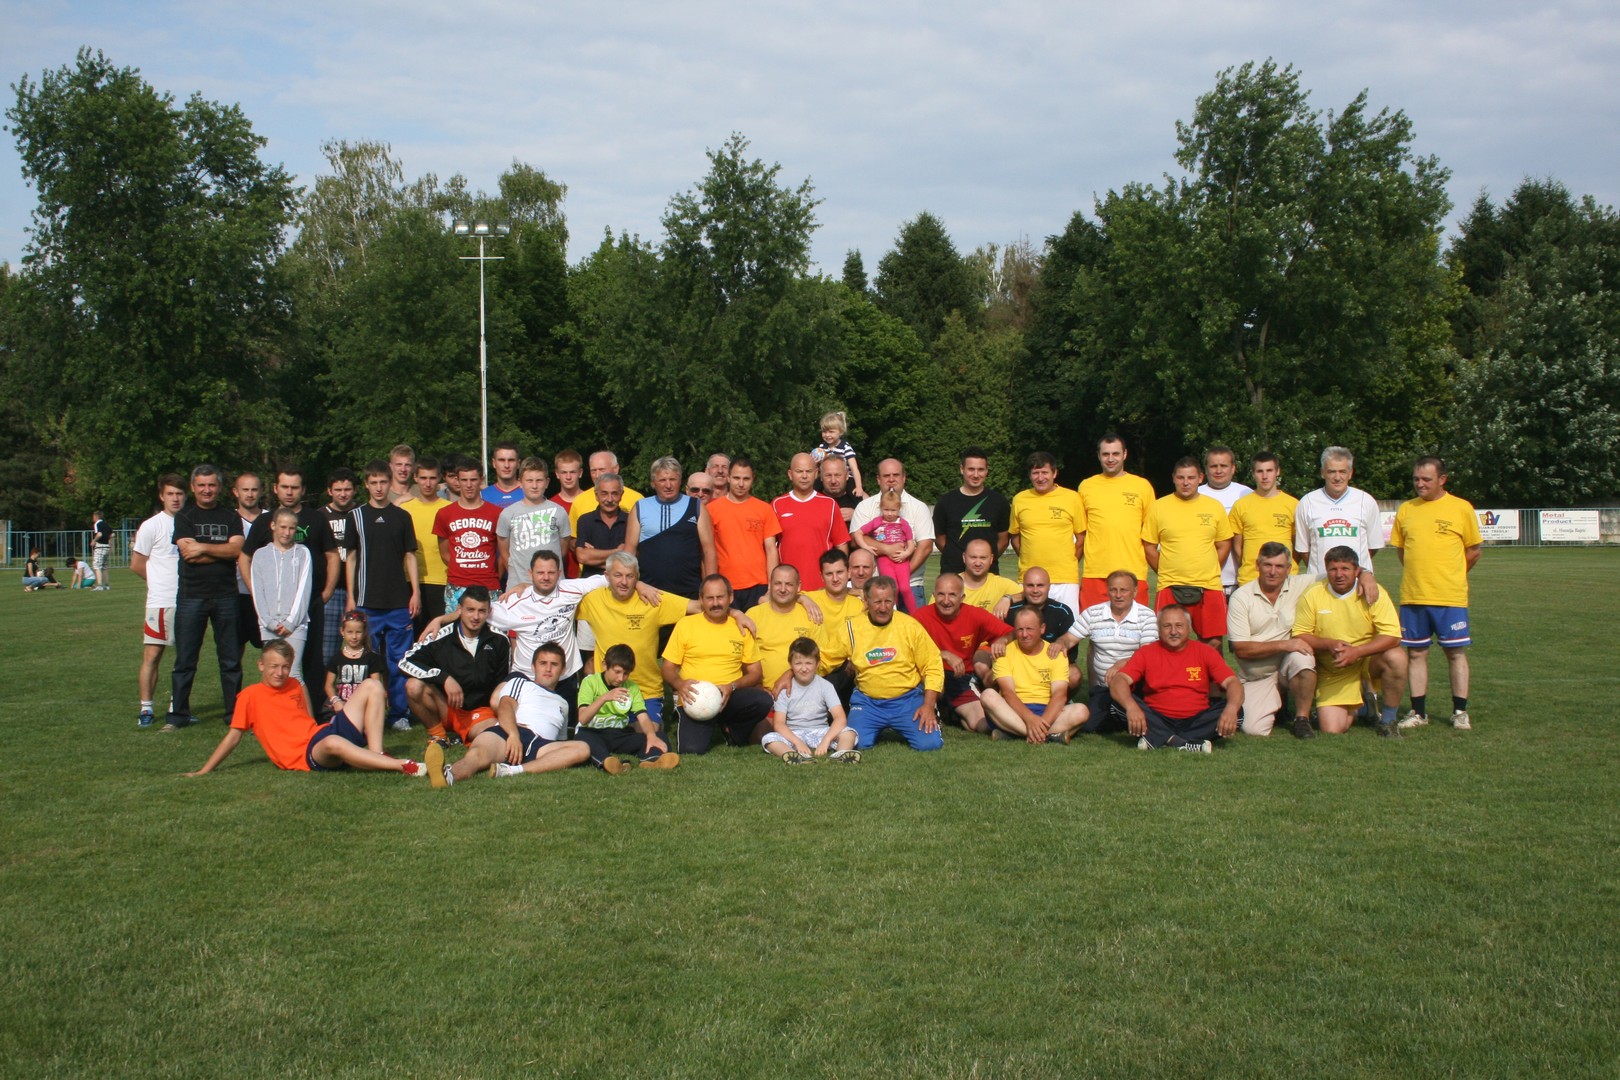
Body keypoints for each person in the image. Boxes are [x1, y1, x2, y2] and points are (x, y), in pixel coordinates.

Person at [185, 641, 428, 777]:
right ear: (260, 665)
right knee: (333, 743)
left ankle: (377, 754)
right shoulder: (249, 696)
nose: (280, 673)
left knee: (373, 685)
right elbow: (233, 737)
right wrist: (204, 770)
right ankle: (402, 765)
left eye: (285, 667)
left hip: (321, 733)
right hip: (308, 755)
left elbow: (307, 720)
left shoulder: (293, 685)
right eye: (273, 667)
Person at [1390, 457, 1483, 731]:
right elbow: (1401, 550)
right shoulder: (1406, 510)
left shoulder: (1461, 508)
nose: (1420, 484)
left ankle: (1460, 711)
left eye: (1426, 479)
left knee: (1455, 653)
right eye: (1416, 479)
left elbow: (1474, 549)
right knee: (1416, 654)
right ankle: (1418, 712)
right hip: (1414, 596)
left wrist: (1452, 573)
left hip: (1449, 597)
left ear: (1442, 479)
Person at [428, 642, 594, 785]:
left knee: (582, 748)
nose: (548, 669)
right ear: (533, 666)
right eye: (543, 663)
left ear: (563, 669)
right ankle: (449, 776)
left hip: (540, 745)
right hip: (507, 733)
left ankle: (511, 771)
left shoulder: (564, 704)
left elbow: (560, 741)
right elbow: (505, 707)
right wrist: (513, 735)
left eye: (554, 664)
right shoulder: (521, 682)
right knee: (477, 755)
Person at [240, 466, 340, 703]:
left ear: (302, 490)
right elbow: (246, 557)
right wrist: (257, 592)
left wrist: (326, 591)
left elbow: (332, 555)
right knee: (275, 662)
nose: (289, 492)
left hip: (309, 602)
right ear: (276, 488)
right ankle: (275, 711)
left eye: (295, 487)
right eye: (284, 486)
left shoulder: (316, 519)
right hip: (273, 609)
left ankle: (313, 710)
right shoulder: (265, 520)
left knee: (312, 659)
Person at [1291, 546, 1407, 737]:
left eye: (1345, 569)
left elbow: (1392, 636)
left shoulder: (1373, 592)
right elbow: (1300, 634)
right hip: (1333, 667)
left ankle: (1388, 720)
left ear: (1356, 571)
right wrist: (1329, 644)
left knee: (1397, 658)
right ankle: (1362, 704)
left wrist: (1357, 652)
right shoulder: (1313, 593)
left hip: (1366, 661)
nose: (1339, 574)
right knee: (1331, 729)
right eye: (1333, 569)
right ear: (1326, 570)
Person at [818, 575, 945, 751]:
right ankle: (870, 726)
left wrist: (928, 705)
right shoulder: (851, 628)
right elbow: (825, 659)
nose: (883, 608)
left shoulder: (910, 626)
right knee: (856, 743)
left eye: (888, 602)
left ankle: (927, 718)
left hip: (907, 700)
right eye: (877, 602)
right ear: (866, 600)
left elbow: (932, 664)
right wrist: (791, 674)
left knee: (930, 744)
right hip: (868, 702)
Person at [167, 464, 246, 731]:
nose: (207, 490)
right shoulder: (184, 516)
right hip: (192, 597)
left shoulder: (230, 516)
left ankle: (234, 714)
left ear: (220, 487)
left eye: (211, 485)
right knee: (185, 661)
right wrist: (220, 549)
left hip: (226, 596)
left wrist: (203, 546)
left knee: (231, 660)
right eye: (201, 485)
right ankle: (178, 715)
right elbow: (188, 553)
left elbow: (237, 549)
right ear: (193, 487)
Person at [577, 552, 694, 729]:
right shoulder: (591, 600)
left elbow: (698, 607)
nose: (624, 582)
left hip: (646, 691)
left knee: (650, 729)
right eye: (618, 575)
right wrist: (525, 587)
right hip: (607, 690)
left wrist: (735, 613)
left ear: (637, 578)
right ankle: (619, 728)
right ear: (607, 576)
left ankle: (621, 728)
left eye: (630, 576)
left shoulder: (651, 599)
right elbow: (556, 597)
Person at [344, 460, 421, 728]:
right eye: (373, 482)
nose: (378, 488)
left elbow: (409, 556)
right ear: (366, 484)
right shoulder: (356, 516)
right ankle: (365, 714)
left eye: (383, 482)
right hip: (367, 601)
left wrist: (415, 592)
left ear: (390, 484)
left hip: (398, 601)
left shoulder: (402, 517)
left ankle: (400, 714)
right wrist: (352, 597)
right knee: (366, 661)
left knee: (399, 660)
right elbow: (351, 558)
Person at [661, 575, 775, 754]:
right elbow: (667, 668)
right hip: (696, 699)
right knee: (691, 750)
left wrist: (733, 686)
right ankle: (684, 716)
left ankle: (732, 731)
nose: (716, 603)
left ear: (730, 597)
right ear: (701, 599)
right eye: (710, 598)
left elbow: (755, 673)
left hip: (729, 695)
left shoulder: (741, 628)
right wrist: (679, 684)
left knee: (763, 701)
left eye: (720, 597)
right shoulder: (686, 625)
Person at [1109, 606, 1242, 753]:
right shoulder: (1146, 652)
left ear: (1189, 628)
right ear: (1158, 630)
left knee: (1238, 711)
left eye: (1179, 625)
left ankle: (1160, 738)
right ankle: (1184, 742)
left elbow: (1232, 682)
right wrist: (1132, 708)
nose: (1173, 631)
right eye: (1167, 626)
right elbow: (1119, 680)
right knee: (1118, 704)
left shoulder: (1205, 652)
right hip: (1155, 717)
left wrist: (1231, 709)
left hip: (1196, 719)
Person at [399, 586, 511, 747]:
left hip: (480, 713)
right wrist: (444, 678)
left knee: (497, 735)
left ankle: (467, 736)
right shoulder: (440, 636)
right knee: (413, 686)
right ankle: (439, 736)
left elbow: (503, 682)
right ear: (459, 609)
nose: (475, 616)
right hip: (447, 707)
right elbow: (405, 662)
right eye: (470, 610)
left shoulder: (499, 640)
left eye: (481, 611)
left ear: (489, 612)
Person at [1227, 543, 1317, 738]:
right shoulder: (1241, 597)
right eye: (1267, 565)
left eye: (1279, 566)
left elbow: (1337, 572)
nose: (1273, 572)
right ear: (1257, 565)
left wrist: (1365, 575)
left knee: (1302, 658)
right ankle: (1279, 703)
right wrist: (1285, 644)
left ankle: (1302, 719)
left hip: (1287, 665)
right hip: (1257, 675)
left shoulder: (1300, 584)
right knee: (1254, 729)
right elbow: (1241, 649)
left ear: (1289, 569)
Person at [1142, 457, 1233, 646]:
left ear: (1200, 478)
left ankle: (1209, 677)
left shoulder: (1213, 506)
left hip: (1208, 585)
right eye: (1181, 477)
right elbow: (1149, 546)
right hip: (1170, 585)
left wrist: (1209, 567)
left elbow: (1224, 543)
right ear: (1173, 478)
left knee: (1213, 642)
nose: (1186, 483)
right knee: (1169, 640)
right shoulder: (1159, 507)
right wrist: (1167, 570)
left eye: (1191, 477)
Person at [913, 573, 1013, 734]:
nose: (946, 601)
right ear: (934, 595)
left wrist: (1003, 640)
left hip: (960, 678)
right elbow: (905, 650)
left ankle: (954, 714)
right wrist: (942, 654)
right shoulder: (920, 617)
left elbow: (1012, 633)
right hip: (927, 677)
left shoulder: (975, 615)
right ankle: (942, 710)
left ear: (962, 597)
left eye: (952, 594)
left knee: (982, 722)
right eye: (941, 594)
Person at [982, 608, 1090, 744]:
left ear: (1042, 628)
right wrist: (1030, 719)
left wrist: (1042, 720)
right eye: (1020, 629)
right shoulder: (1004, 652)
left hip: (1047, 710)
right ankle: (1049, 736)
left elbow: (1059, 695)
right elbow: (1008, 693)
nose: (1024, 634)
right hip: (1013, 711)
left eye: (1030, 629)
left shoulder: (1055, 653)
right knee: (988, 695)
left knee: (1082, 711)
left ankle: (1014, 734)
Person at [1070, 570, 1159, 736]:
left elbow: (1149, 653)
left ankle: (1124, 713)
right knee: (1089, 727)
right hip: (1104, 687)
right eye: (1113, 590)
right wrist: (1058, 644)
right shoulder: (1093, 613)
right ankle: (1121, 716)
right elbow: (1069, 639)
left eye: (1124, 590)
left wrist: (1123, 663)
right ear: (1108, 590)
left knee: (1150, 719)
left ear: (1134, 591)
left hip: (1136, 686)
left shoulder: (1146, 615)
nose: (1118, 595)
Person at [131, 475, 186, 726]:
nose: (175, 498)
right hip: (161, 601)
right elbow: (137, 564)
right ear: (162, 496)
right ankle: (146, 708)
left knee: (184, 659)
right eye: (171, 493)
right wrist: (159, 584)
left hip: (188, 600)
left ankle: (178, 708)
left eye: (179, 493)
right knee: (152, 656)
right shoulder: (151, 526)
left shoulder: (191, 522)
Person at [574, 644, 680, 772]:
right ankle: (608, 762)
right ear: (605, 665)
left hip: (619, 734)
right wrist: (604, 697)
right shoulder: (590, 682)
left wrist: (651, 735)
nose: (621, 678)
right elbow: (583, 718)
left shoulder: (632, 687)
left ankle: (652, 760)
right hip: (593, 732)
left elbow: (642, 716)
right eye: (617, 672)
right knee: (585, 740)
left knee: (658, 735)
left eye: (626, 674)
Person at [1077, 433, 1154, 608]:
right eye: (1105, 454)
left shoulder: (1142, 486)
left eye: (1115, 454)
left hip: (1133, 572)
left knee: (1134, 632)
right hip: (1096, 572)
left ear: (1125, 454)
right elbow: (1080, 531)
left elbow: (1150, 533)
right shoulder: (1086, 487)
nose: (1110, 459)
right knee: (1096, 632)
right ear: (1098, 456)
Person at [250, 507, 315, 710]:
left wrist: (290, 622)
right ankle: (268, 718)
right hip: (268, 625)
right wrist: (268, 621)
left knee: (293, 673)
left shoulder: (303, 553)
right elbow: (257, 591)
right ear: (273, 526)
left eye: (292, 528)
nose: (287, 532)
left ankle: (308, 722)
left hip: (295, 625)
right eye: (283, 527)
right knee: (271, 673)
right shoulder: (260, 555)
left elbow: (304, 590)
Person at [850, 458, 935, 609]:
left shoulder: (918, 507)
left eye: (896, 475)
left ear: (904, 477)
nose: (891, 480)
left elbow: (926, 546)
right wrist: (886, 549)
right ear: (878, 479)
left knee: (914, 629)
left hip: (911, 584)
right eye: (886, 476)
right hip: (875, 584)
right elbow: (856, 539)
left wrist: (902, 573)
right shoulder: (865, 506)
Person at [1295, 446, 1383, 591]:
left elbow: (1372, 547)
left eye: (1342, 471)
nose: (1337, 477)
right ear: (1323, 473)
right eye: (1331, 472)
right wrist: (1323, 570)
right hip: (1319, 585)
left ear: (1350, 473)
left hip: (1357, 584)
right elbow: (1304, 550)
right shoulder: (1307, 502)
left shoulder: (1365, 501)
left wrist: (1352, 570)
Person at [626, 455, 715, 598]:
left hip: (689, 591)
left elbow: (708, 551)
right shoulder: (640, 507)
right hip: (650, 592)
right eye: (662, 480)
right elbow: (629, 553)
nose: (668, 485)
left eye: (672, 479)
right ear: (654, 482)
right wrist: (635, 584)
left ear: (680, 481)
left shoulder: (696, 506)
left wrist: (711, 589)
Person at [1009, 451, 1086, 615]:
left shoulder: (1072, 498)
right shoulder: (1020, 499)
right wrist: (1026, 556)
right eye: (1035, 473)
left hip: (1064, 579)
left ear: (1054, 473)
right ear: (1030, 475)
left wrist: (1069, 561)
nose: (1040, 477)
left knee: (1068, 629)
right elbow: (1015, 536)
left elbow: (1081, 537)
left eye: (1044, 472)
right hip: (1030, 579)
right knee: (1030, 629)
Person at [765, 637, 860, 764]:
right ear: (790, 664)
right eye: (798, 663)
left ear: (817, 664)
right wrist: (797, 742)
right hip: (794, 734)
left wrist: (826, 741)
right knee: (769, 738)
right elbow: (779, 724)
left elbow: (840, 718)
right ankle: (792, 755)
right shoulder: (785, 689)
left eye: (808, 663)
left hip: (820, 731)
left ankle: (841, 754)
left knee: (849, 733)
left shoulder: (825, 686)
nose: (804, 668)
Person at [706, 456, 781, 611]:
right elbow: (707, 552)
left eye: (746, 479)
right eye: (736, 478)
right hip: (726, 586)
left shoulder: (764, 509)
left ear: (753, 479)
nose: (741, 484)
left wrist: (771, 587)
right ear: (728, 478)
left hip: (758, 585)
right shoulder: (712, 510)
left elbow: (771, 549)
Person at [773, 453, 850, 591]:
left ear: (816, 474)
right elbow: (770, 548)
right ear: (790, 474)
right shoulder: (777, 504)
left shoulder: (830, 504)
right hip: (787, 587)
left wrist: (839, 580)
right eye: (799, 471)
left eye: (808, 471)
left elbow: (841, 545)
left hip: (822, 586)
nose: (804, 476)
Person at [432, 458, 502, 608]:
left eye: (473, 480)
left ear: (481, 480)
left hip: (488, 584)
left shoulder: (496, 513)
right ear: (457, 480)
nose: (469, 485)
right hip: (457, 586)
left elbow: (503, 554)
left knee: (492, 630)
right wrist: (463, 569)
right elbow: (444, 553)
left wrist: (490, 573)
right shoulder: (445, 514)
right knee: (454, 629)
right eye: (464, 480)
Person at [497, 456, 572, 594]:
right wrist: (517, 572)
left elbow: (563, 549)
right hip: (518, 586)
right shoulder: (508, 513)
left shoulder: (559, 511)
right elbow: (504, 551)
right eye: (529, 480)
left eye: (539, 480)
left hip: (553, 587)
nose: (534, 485)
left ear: (547, 482)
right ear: (520, 483)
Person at [933, 447, 1011, 577]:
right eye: (971, 469)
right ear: (962, 469)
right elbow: (940, 539)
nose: (976, 475)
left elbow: (1003, 540)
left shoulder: (999, 502)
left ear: (987, 471)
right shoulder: (945, 502)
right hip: (953, 574)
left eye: (980, 469)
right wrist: (957, 557)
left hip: (988, 576)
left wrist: (984, 560)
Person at [748, 564, 826, 692]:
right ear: (770, 584)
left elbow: (821, 658)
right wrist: (758, 689)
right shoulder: (753, 615)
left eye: (789, 584)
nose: (783, 589)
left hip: (803, 691)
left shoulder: (811, 614)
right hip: (763, 695)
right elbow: (744, 659)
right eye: (778, 583)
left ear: (798, 586)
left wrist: (790, 674)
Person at [1229, 452, 1300, 587]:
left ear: (1277, 471)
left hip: (1286, 580)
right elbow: (1237, 547)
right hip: (1250, 579)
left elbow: (1298, 545)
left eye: (1269, 470)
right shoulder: (1241, 505)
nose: (1265, 476)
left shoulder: (1293, 505)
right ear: (1253, 473)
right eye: (1260, 471)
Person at [400, 456, 451, 636]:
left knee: (442, 636)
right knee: (414, 637)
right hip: (412, 582)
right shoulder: (405, 510)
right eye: (423, 478)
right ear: (415, 478)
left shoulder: (449, 508)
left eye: (432, 478)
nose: (427, 483)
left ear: (439, 479)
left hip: (442, 580)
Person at [1197, 445, 1254, 595]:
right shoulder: (1195, 494)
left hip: (1240, 580)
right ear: (1206, 469)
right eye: (1213, 466)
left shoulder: (1246, 494)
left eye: (1224, 466)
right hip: (1202, 581)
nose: (1219, 470)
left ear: (1233, 468)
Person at [319, 468, 359, 664]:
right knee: (327, 650)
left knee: (361, 647)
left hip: (359, 590)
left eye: (347, 489)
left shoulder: (362, 514)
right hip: (331, 590)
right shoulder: (320, 516)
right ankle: (326, 693)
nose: (343, 494)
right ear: (329, 491)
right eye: (338, 489)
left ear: (355, 490)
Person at [858, 490, 917, 612]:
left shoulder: (903, 524)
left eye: (893, 510)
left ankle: (917, 616)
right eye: (886, 510)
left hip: (901, 560)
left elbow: (911, 544)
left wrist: (906, 553)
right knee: (891, 589)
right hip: (884, 560)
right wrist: (865, 546)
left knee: (905, 588)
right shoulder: (876, 522)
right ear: (881, 507)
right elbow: (858, 533)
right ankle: (892, 615)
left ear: (899, 508)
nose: (890, 514)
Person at [566, 450, 645, 534]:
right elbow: (572, 538)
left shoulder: (637, 499)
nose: (597, 475)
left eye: (602, 470)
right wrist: (584, 545)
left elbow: (644, 534)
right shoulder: (579, 500)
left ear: (616, 469)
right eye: (593, 471)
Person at [324, 610, 387, 715]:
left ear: (365, 632)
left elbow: (377, 686)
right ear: (342, 631)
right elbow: (328, 685)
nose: (354, 637)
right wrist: (336, 700)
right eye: (350, 632)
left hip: (364, 708)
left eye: (358, 632)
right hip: (341, 706)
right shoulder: (336, 658)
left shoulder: (372, 658)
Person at [232, 471, 266, 653]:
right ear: (235, 492)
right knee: (234, 652)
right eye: (245, 489)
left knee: (272, 649)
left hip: (268, 596)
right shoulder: (229, 520)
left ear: (261, 491)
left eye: (254, 489)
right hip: (236, 594)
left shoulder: (272, 519)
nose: (250, 494)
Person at [574, 471, 630, 573]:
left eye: (614, 494)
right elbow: (582, 557)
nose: (609, 499)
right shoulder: (585, 521)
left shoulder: (631, 521)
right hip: (591, 584)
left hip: (622, 583)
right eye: (604, 493)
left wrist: (594, 555)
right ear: (596, 495)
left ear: (621, 495)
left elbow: (632, 558)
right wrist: (618, 552)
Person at [810, 409, 866, 498]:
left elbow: (854, 468)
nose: (827, 435)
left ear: (840, 432)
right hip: (827, 478)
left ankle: (858, 509)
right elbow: (814, 467)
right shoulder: (821, 448)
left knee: (855, 495)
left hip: (846, 479)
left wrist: (859, 487)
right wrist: (814, 461)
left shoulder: (845, 447)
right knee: (813, 489)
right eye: (824, 432)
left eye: (831, 432)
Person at [960, 538, 1022, 617]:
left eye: (983, 558)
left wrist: (1008, 598)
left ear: (991, 559)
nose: (978, 563)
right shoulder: (951, 585)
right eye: (973, 557)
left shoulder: (1001, 584)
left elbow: (1030, 594)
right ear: (964, 557)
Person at [817, 455, 861, 527]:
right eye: (828, 475)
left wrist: (856, 515)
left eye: (837, 475)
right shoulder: (812, 500)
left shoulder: (858, 499)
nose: (833, 481)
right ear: (821, 477)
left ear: (847, 475)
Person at [482, 442, 524, 507]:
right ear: (494, 463)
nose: (506, 465)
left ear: (518, 463)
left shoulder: (530, 492)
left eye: (511, 460)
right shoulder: (483, 495)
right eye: (501, 460)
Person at [90, 509, 112, 590]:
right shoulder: (106, 524)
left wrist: (94, 541)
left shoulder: (97, 524)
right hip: (107, 546)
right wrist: (111, 546)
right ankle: (107, 585)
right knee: (104, 567)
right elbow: (112, 535)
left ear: (96, 516)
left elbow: (99, 534)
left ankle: (99, 585)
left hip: (100, 546)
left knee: (97, 565)